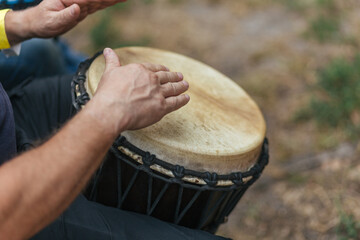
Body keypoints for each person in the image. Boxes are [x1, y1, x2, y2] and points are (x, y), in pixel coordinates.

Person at [0, 1, 230, 239]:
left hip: (9, 118)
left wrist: (16, 24)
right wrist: (108, 111)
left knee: (41, 54)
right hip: (15, 210)